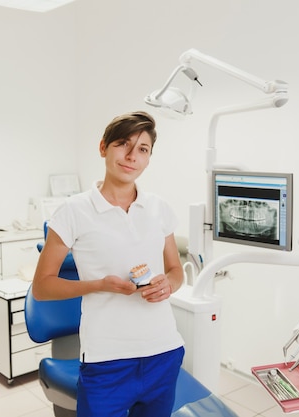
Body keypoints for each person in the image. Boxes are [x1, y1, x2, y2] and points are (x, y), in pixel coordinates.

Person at [32, 111, 185, 417]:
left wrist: (169, 284)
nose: (132, 156)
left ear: (149, 158)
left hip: (163, 351)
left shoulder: (159, 208)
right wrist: (100, 285)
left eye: (142, 149)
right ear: (103, 147)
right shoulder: (74, 211)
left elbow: (176, 270)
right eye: (122, 144)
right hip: (107, 358)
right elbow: (42, 287)